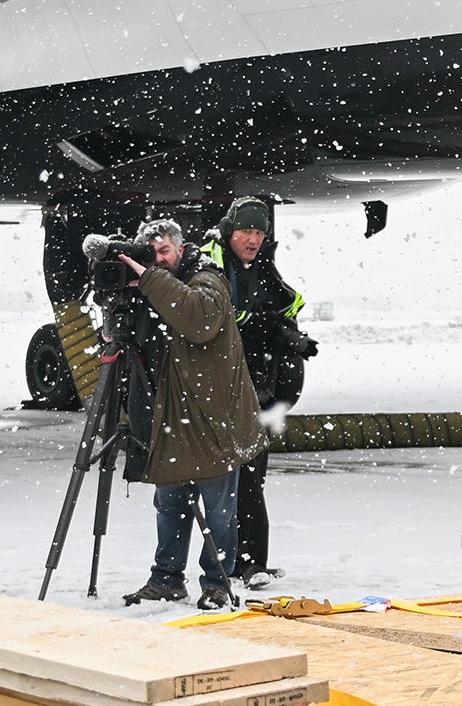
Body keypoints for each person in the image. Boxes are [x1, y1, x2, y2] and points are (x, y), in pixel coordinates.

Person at [110, 216, 263, 609]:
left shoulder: (207, 278)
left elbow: (199, 319)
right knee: (170, 505)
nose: (159, 260)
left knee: (218, 510)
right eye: (152, 253)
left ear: (180, 248)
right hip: (171, 417)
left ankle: (217, 582)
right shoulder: (150, 285)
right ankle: (166, 579)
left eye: (165, 251)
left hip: (215, 417)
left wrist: (149, 279)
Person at [204, 197, 313, 588]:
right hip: (221, 390)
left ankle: (249, 561)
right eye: (246, 231)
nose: (253, 239)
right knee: (224, 482)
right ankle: (230, 563)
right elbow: (218, 319)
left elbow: (283, 305)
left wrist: (290, 336)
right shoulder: (211, 264)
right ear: (230, 231)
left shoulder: (262, 267)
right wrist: (267, 327)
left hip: (259, 391)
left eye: (259, 232)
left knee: (251, 477)